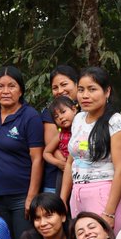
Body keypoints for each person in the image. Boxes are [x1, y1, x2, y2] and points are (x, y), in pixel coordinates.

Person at [61, 66, 121, 235]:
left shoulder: (116, 122)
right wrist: (62, 199)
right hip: (77, 194)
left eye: (92, 89)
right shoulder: (78, 119)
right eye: (81, 90)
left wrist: (109, 212)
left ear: (107, 92)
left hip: (104, 194)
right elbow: (71, 161)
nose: (85, 95)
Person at [0, 65, 44, 239]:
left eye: (12, 86)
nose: (5, 91)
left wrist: (31, 197)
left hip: (21, 196)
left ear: (20, 90)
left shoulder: (29, 116)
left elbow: (37, 158)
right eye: (0, 86)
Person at [41, 65, 79, 193]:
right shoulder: (49, 112)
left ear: (76, 83)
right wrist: (64, 163)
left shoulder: (87, 109)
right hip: (58, 173)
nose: (60, 90)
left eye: (64, 85)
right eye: (55, 88)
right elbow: (51, 145)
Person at [42, 95, 76, 193]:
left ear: (74, 110)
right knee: (60, 199)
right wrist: (59, 163)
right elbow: (46, 153)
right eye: (56, 117)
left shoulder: (83, 130)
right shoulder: (60, 136)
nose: (61, 117)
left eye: (63, 112)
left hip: (83, 171)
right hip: (64, 171)